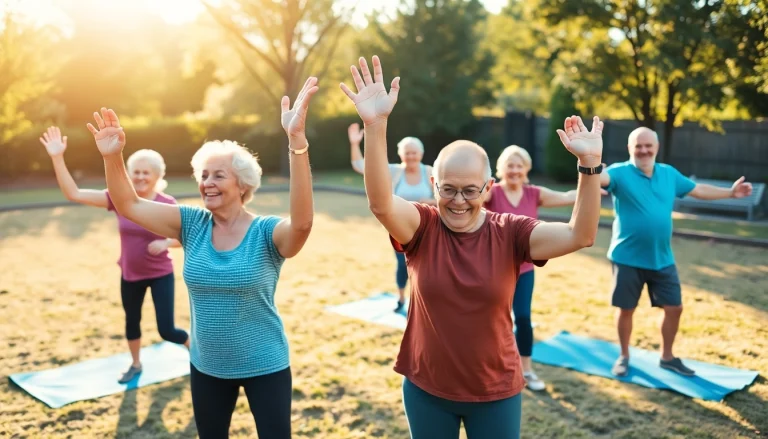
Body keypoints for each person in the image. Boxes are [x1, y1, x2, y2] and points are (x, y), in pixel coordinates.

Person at [340, 55, 604, 439]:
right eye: (448, 189)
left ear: (488, 188)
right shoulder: (422, 227)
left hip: (495, 392)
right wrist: (375, 125)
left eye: (469, 190)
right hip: (427, 389)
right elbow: (381, 203)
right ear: (434, 185)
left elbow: (580, 235)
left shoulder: (511, 231)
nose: (458, 200)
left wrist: (589, 166)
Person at [87, 77, 318, 438]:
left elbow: (302, 224)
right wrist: (112, 156)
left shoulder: (266, 233)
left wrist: (296, 144)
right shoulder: (191, 223)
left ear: (242, 185)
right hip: (207, 367)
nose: (207, 182)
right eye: (203, 175)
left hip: (266, 365)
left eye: (218, 175)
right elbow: (128, 204)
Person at [39, 126, 189, 384]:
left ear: (157, 176)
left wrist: (166, 244)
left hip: (160, 274)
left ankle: (196, 352)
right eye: (136, 172)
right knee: (132, 322)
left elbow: (184, 237)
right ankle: (135, 364)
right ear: (128, 174)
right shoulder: (119, 199)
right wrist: (57, 157)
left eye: (146, 172)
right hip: (130, 274)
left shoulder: (167, 203)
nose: (141, 177)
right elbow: (73, 194)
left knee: (167, 330)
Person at [601, 127, 753, 378]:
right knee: (626, 309)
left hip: (662, 258)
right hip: (626, 257)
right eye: (638, 146)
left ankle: (667, 357)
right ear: (630, 148)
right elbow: (602, 179)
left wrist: (730, 193)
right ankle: (624, 356)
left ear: (657, 147)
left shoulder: (668, 174)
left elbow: (698, 190)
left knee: (675, 307)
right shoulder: (619, 172)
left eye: (648, 145)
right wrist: (591, 168)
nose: (644, 150)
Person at [484, 144, 603, 391]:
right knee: (493, 319)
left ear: (526, 169)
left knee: (524, 318)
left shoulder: (534, 193)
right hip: (493, 269)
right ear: (501, 168)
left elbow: (568, 197)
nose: (514, 170)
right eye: (510, 165)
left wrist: (592, 184)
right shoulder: (492, 193)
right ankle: (492, 368)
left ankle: (526, 370)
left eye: (519, 165)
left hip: (524, 270)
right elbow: (470, 197)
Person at [349, 123, 435, 313]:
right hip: (400, 227)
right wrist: (355, 144)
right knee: (402, 264)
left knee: (425, 266)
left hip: (426, 227)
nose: (411, 156)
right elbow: (360, 166)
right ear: (401, 154)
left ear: (420, 154)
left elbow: (443, 196)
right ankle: (402, 297)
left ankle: (420, 300)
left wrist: (431, 200)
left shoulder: (429, 172)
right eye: (407, 153)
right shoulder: (395, 171)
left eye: (414, 153)